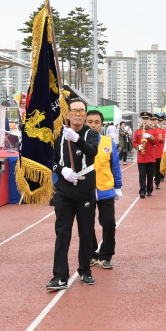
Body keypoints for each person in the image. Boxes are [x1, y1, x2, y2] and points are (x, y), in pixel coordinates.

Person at [46, 98, 100, 291]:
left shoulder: (91, 134)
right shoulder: (57, 134)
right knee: (62, 232)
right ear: (67, 113)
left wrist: (76, 139)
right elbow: (49, 160)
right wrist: (62, 171)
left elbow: (92, 151)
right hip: (64, 190)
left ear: (85, 115)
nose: (78, 114)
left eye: (82, 111)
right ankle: (60, 275)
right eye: (74, 110)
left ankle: (85, 270)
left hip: (84, 189)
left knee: (86, 232)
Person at [85, 110, 123, 270]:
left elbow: (115, 165)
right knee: (87, 224)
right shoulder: (79, 141)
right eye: (90, 122)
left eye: (97, 122)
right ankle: (92, 253)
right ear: (85, 123)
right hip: (85, 190)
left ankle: (106, 255)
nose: (93, 125)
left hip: (106, 189)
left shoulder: (108, 142)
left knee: (108, 223)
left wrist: (118, 187)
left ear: (102, 124)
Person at [134, 112, 157, 198]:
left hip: (150, 156)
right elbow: (134, 142)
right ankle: (142, 190)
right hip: (141, 157)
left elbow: (156, 142)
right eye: (143, 119)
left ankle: (149, 189)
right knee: (142, 174)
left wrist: (150, 137)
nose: (145, 120)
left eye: (147, 119)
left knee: (150, 175)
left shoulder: (153, 131)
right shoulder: (138, 131)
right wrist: (138, 146)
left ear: (150, 120)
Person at [153, 115, 166, 189]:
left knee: (158, 167)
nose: (156, 122)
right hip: (151, 151)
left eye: (157, 120)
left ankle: (157, 181)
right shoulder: (151, 129)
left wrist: (158, 138)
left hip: (159, 151)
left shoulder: (163, 130)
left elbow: (164, 139)